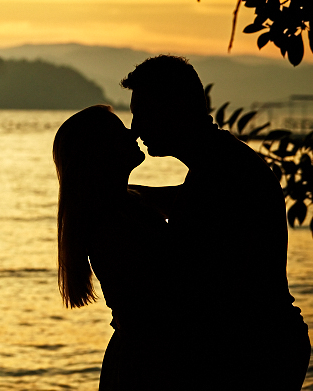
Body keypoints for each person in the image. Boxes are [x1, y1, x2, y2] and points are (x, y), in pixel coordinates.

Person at [122, 55, 310, 390]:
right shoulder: (220, 161)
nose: (135, 128)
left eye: (143, 113)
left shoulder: (222, 172)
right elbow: (181, 199)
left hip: (255, 353)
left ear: (175, 108)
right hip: (267, 343)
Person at [55, 105, 180, 390]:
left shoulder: (126, 201)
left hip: (141, 355)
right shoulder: (111, 223)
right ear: (101, 151)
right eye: (119, 130)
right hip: (145, 363)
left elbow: (192, 195)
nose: (132, 132)